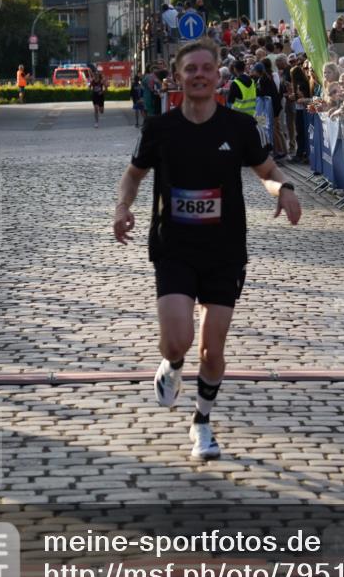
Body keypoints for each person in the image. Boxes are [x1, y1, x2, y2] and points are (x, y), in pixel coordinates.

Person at [113, 39, 301, 460]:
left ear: (218, 76)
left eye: (206, 68)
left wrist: (283, 189)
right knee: (177, 343)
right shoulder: (160, 129)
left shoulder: (237, 127)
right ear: (177, 77)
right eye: (190, 69)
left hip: (225, 250)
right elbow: (133, 175)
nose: (199, 75)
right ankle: (172, 367)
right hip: (174, 247)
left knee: (212, 350)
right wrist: (122, 207)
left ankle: (202, 423)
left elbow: (266, 170)